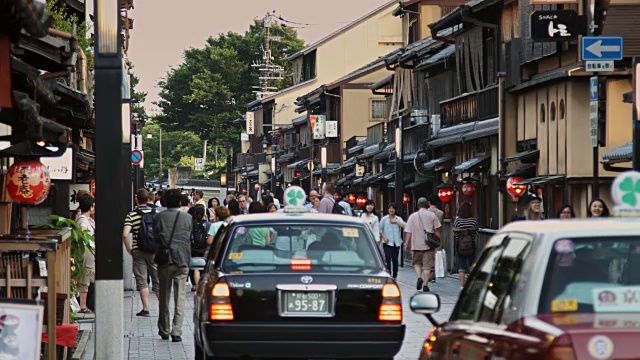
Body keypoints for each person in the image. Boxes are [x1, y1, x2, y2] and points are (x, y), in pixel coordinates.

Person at [154, 189, 192, 342]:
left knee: (164, 296)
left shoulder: (159, 217)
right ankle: (177, 330)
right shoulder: (187, 217)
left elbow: (156, 236)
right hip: (182, 259)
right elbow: (188, 236)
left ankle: (165, 329)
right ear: (180, 201)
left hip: (165, 260)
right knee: (180, 296)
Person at [122, 189, 160, 317]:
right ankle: (163, 307)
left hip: (138, 250)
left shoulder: (132, 215)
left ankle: (146, 308)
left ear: (136, 199)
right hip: (154, 250)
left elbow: (125, 234)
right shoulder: (156, 214)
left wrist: (128, 249)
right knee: (157, 279)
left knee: (142, 280)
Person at [404, 197, 442, 292]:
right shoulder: (432, 215)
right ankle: (425, 284)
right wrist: (439, 241)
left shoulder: (412, 216)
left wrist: (406, 243)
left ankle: (418, 277)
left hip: (416, 245)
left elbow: (409, 232)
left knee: (417, 263)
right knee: (427, 266)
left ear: (417, 205)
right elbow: (437, 230)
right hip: (429, 245)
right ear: (427, 204)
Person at [75, 193, 96, 314]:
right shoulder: (83, 219)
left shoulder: (82, 218)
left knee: (88, 275)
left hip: (87, 249)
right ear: (91, 206)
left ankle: (86, 303)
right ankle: (83, 306)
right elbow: (82, 232)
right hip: (86, 250)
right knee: (86, 275)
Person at [453, 202, 478, 289]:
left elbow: (455, 234)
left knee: (462, 266)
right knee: (472, 264)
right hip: (471, 245)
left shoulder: (457, 221)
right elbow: (475, 233)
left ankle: (462, 285)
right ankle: (472, 284)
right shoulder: (473, 221)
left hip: (460, 246)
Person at [379, 203, 405, 279]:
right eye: (390, 208)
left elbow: (405, 226)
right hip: (387, 242)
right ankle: (388, 272)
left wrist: (396, 222)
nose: (391, 210)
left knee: (395, 259)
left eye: (393, 208)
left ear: (395, 210)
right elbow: (380, 229)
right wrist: (384, 237)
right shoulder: (384, 219)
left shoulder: (398, 218)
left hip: (396, 242)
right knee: (388, 257)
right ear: (388, 209)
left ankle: (395, 274)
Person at [189, 206, 211, 291]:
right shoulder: (208, 224)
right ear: (204, 214)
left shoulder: (191, 223)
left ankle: (194, 284)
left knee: (194, 266)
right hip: (204, 248)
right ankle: (202, 284)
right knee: (203, 266)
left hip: (193, 248)